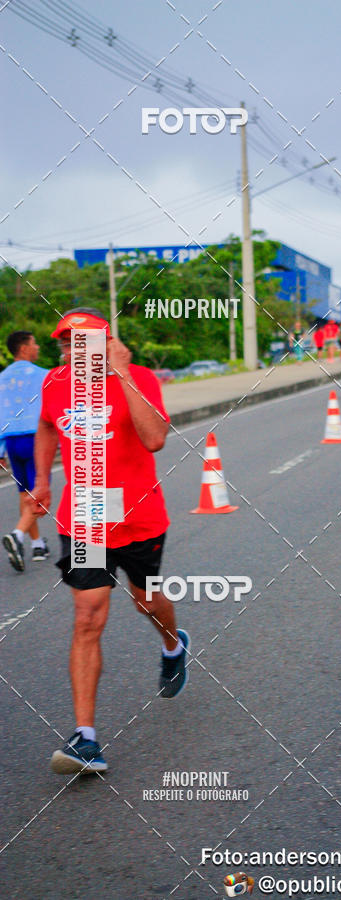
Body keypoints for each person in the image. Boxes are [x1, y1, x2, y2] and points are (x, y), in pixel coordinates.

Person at [27, 308, 188, 775]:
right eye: (67, 344)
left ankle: (173, 645)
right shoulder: (55, 383)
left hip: (139, 516)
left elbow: (156, 438)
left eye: (85, 343)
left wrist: (121, 373)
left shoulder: (139, 377)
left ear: (108, 343)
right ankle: (86, 739)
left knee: (145, 599)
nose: (74, 352)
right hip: (87, 518)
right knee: (87, 615)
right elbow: (45, 426)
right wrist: (42, 480)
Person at [0, 331, 50, 571]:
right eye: (34, 343)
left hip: (11, 442)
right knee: (40, 494)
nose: (38, 347)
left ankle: (37, 544)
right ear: (23, 348)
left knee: (25, 495)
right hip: (36, 439)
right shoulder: (44, 376)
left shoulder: (2, 378)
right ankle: (17, 535)